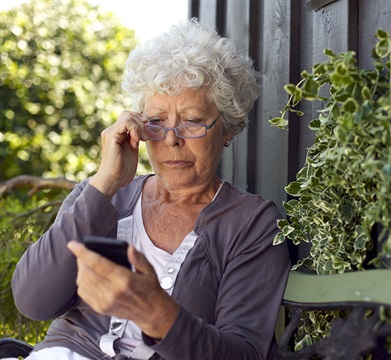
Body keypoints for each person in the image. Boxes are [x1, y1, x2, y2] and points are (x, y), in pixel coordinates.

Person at [11, 19, 290, 360]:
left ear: (227, 129)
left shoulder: (251, 223)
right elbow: (33, 300)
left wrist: (158, 315)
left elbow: (243, 352)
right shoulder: (102, 193)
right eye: (156, 122)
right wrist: (106, 182)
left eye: (192, 121)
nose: (172, 139)